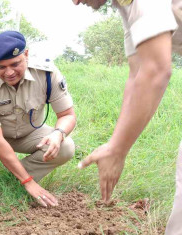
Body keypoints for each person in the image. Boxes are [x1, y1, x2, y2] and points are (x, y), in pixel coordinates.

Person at [72, 0, 182, 234]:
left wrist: (118, 150)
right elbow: (138, 73)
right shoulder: (125, 5)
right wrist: (115, 145)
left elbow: (156, 71)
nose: (75, 1)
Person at [0, 31, 77, 207]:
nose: (9, 72)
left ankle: (11, 181)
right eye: (1, 67)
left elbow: (67, 115)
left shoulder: (47, 74)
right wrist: (29, 183)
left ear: (26, 54)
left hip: (30, 133)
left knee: (66, 146)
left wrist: (58, 133)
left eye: (15, 64)